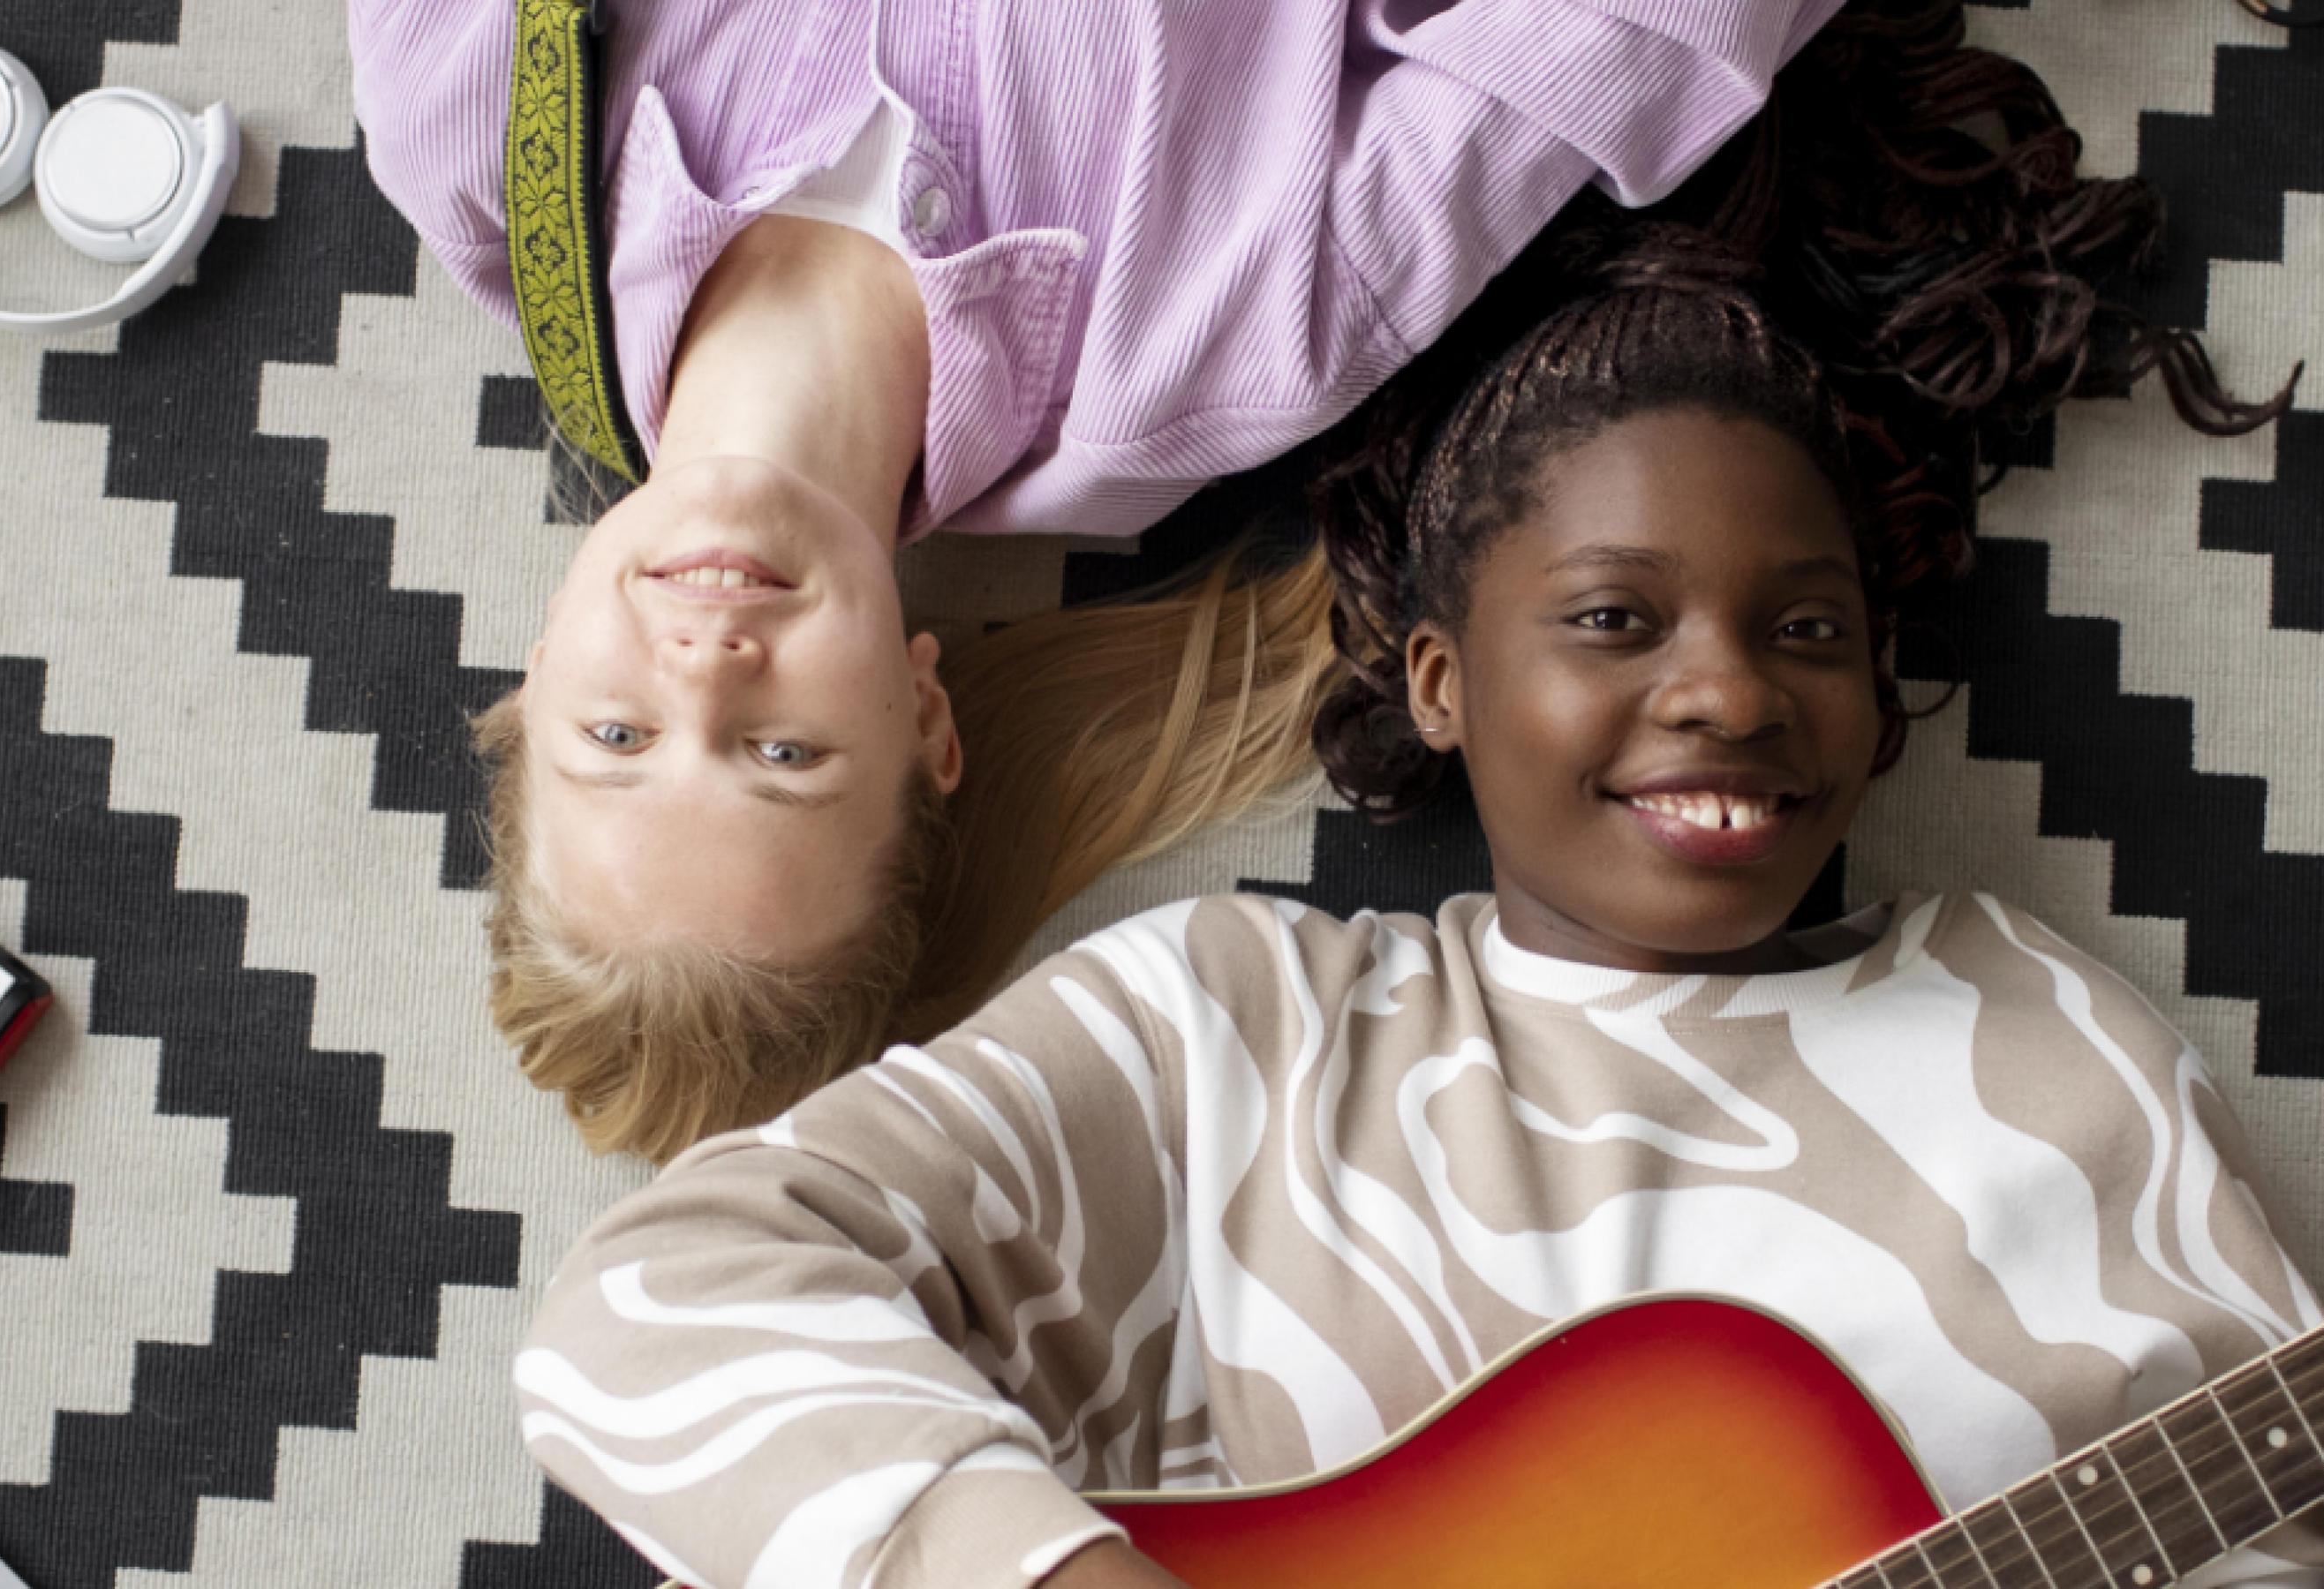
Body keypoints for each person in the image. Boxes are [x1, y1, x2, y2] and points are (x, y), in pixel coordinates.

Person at [503, 215, 2324, 1589]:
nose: (1729, 697)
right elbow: (647, 1315)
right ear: (1441, 683)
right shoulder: (1236, 1029)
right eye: (1616, 623)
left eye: (1810, 630)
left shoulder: (2050, 1066)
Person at [345, 0, 1845, 1160]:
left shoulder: (481, 150)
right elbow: (1635, 41)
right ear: (928, 725)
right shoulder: (1208, 355)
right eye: (783, 754)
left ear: (534, 674)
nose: (705, 665)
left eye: (615, 740)